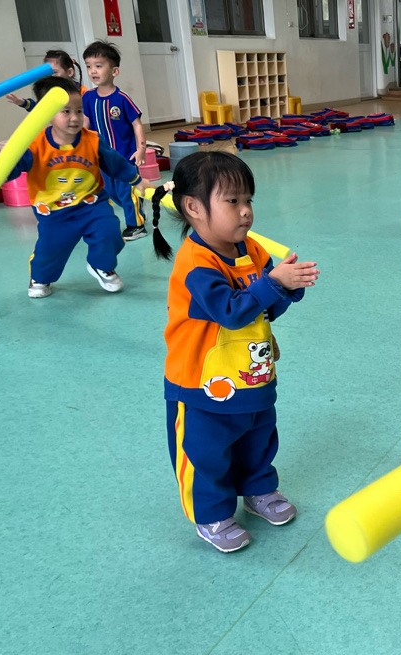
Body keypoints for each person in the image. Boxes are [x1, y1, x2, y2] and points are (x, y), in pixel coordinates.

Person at [151, 152, 319, 553]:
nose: (245, 211)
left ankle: (258, 490)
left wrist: (286, 288)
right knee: (205, 452)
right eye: (232, 201)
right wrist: (273, 284)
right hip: (201, 383)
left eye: (248, 200)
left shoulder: (251, 250)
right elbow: (230, 311)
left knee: (258, 436)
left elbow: (264, 310)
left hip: (250, 373)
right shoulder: (196, 263)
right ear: (194, 207)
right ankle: (210, 515)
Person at [0, 76, 150, 299]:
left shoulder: (92, 140)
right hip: (53, 211)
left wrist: (136, 180)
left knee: (109, 232)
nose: (75, 118)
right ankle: (40, 277)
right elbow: (12, 163)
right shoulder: (34, 145)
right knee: (50, 250)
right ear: (46, 114)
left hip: (92, 203)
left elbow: (115, 162)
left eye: (79, 111)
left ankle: (101, 266)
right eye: (66, 111)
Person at [82, 40, 148, 241]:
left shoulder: (122, 99)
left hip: (125, 157)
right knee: (111, 192)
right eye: (89, 66)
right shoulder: (88, 98)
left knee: (126, 192)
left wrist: (141, 149)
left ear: (114, 71)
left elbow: (137, 124)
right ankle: (136, 207)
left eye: (98, 66)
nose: (93, 71)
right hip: (102, 158)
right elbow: (86, 123)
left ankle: (137, 225)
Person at [6, 50, 87, 111]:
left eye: (54, 72)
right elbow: (40, 108)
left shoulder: (83, 93)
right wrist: (23, 102)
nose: (51, 77)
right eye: (47, 73)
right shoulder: (51, 92)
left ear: (69, 72)